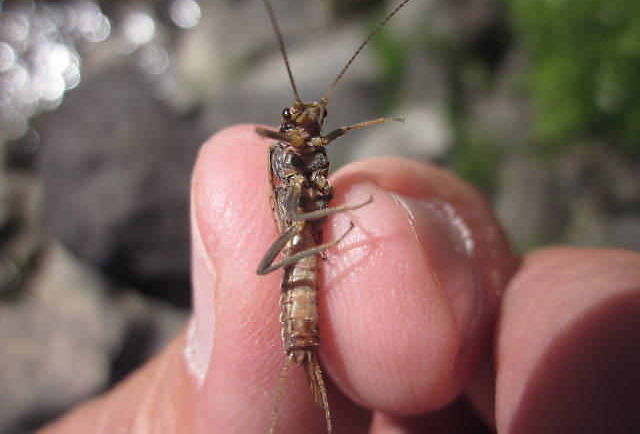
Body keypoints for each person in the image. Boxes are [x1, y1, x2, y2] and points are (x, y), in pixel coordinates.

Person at [40, 125, 640, 433]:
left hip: (308, 259)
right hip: (291, 266)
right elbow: (296, 205)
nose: (310, 132)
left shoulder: (308, 154)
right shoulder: (285, 160)